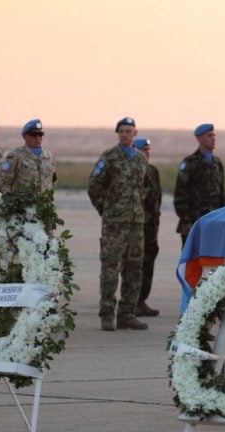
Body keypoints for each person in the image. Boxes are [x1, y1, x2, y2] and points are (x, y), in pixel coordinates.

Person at [87, 117, 148, 331]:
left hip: (135, 223)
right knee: (111, 268)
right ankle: (107, 314)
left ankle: (127, 313)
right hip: (114, 223)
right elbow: (94, 186)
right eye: (121, 131)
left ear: (135, 133)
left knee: (134, 269)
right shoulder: (110, 157)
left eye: (128, 131)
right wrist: (106, 209)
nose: (124, 134)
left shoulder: (141, 159)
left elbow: (143, 189)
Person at [173, 123, 225, 246]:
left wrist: (223, 218)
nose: (213, 138)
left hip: (214, 222)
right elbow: (180, 194)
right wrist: (186, 221)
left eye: (214, 135)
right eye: (209, 136)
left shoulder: (217, 163)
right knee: (193, 262)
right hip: (194, 222)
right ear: (199, 139)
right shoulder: (190, 163)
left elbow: (221, 195)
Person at [133, 137, 161, 318]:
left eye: (148, 149)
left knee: (148, 264)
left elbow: (157, 200)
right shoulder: (132, 171)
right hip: (135, 227)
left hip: (151, 227)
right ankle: (131, 302)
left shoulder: (153, 171)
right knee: (134, 265)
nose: (146, 153)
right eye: (143, 149)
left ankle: (142, 300)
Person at [0, 119, 57, 193]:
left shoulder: (49, 156)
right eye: (34, 135)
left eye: (40, 134)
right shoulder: (16, 156)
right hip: (23, 203)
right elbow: (5, 183)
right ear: (25, 136)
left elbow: (53, 181)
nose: (37, 138)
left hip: (44, 203)